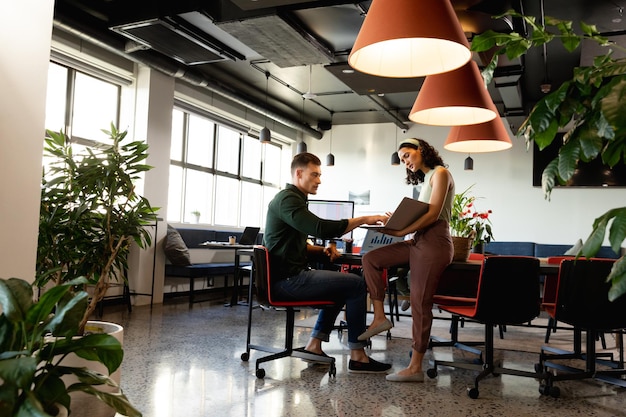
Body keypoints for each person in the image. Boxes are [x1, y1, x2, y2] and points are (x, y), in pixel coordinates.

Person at [263, 152, 392, 373]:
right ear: (299, 173)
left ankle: (314, 345)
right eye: (315, 175)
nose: (319, 180)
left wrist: (322, 250)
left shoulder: (293, 199)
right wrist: (363, 219)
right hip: (287, 280)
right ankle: (358, 356)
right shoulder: (288, 199)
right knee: (356, 284)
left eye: (320, 175)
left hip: (287, 276)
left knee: (344, 286)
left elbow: (295, 245)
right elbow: (321, 228)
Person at [360, 138, 454, 382]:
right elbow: (422, 215)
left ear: (421, 150)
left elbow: (434, 214)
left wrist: (401, 231)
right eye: (402, 159)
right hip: (418, 240)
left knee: (419, 301)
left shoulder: (440, 173)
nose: (405, 162)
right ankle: (380, 317)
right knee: (371, 258)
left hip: (434, 242)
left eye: (407, 156)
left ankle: (415, 367)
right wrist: (397, 224)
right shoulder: (426, 179)